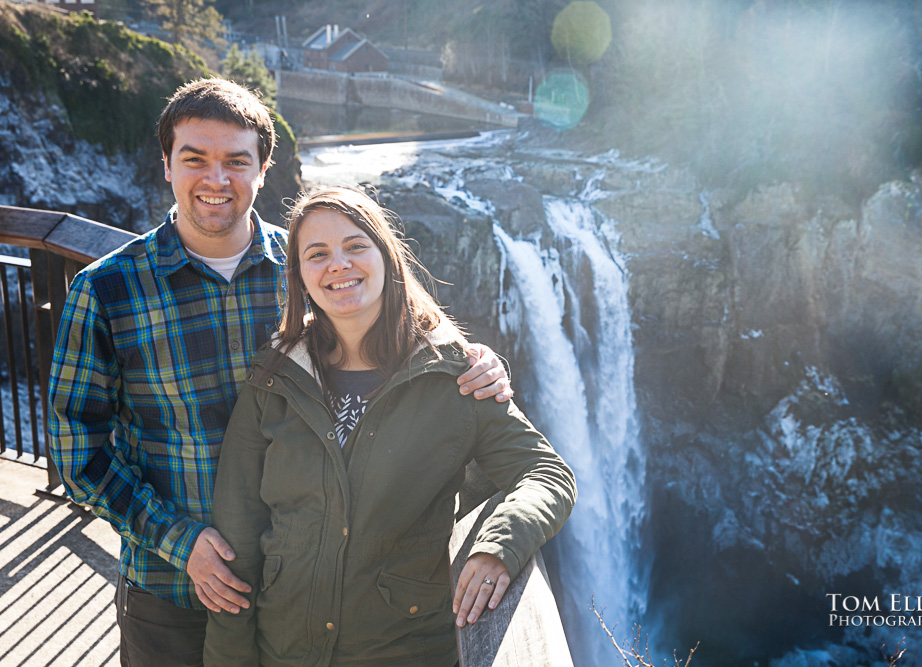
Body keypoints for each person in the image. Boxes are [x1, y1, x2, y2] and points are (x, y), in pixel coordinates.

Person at [47, 78, 512, 667]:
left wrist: (469, 356)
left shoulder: (310, 271)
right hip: (170, 592)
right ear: (166, 165)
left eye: (237, 161)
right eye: (195, 159)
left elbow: (398, 330)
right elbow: (76, 447)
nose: (217, 179)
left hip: (293, 597)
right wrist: (177, 540)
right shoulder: (107, 290)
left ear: (263, 170)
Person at [203, 188, 576, 666]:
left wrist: (499, 545)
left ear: (386, 255)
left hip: (402, 651)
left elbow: (547, 472)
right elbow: (237, 533)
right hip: (284, 650)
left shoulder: (453, 375)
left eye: (356, 246)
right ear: (299, 276)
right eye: (317, 254)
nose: (338, 263)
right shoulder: (274, 378)